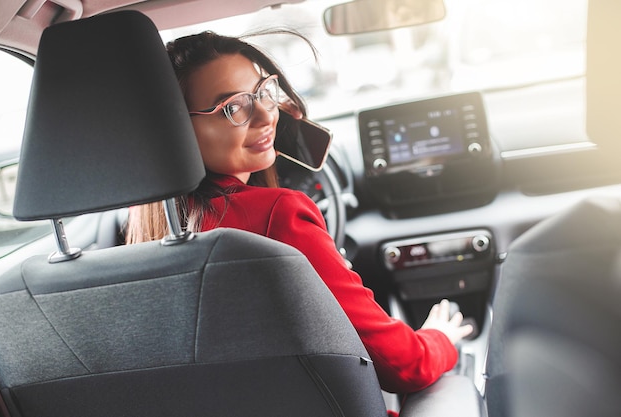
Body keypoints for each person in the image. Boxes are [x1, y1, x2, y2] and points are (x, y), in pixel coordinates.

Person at [126, 30, 473, 395]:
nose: (265, 117)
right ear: (176, 130)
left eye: (263, 92)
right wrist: (440, 337)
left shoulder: (145, 222)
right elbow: (404, 365)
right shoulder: (280, 215)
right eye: (233, 107)